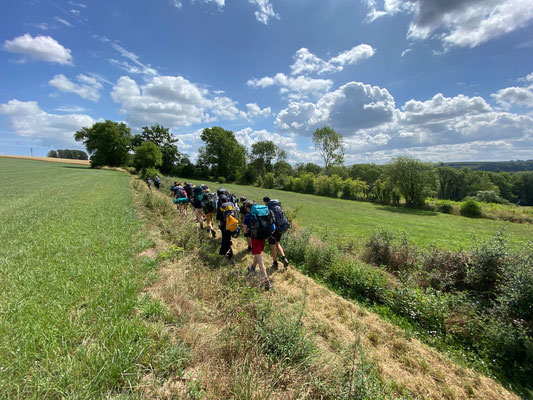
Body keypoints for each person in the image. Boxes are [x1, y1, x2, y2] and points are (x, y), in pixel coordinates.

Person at [243, 200, 272, 290]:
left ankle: (266, 280)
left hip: (255, 239)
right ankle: (252, 267)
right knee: (257, 254)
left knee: (261, 262)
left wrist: (246, 231)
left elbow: (245, 230)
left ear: (248, 208)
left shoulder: (249, 216)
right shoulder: (261, 213)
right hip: (263, 237)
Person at [264, 196, 290, 270]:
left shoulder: (269, 208)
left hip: (274, 229)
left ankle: (275, 263)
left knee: (272, 246)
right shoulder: (278, 206)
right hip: (281, 228)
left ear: (266, 202)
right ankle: (284, 258)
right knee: (277, 244)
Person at [216, 195, 238, 264]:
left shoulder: (221, 207)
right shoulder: (231, 204)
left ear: (220, 201)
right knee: (227, 239)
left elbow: (218, 218)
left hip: (225, 226)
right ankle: (225, 252)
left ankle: (230, 257)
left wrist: (219, 225)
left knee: (226, 240)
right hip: (232, 224)